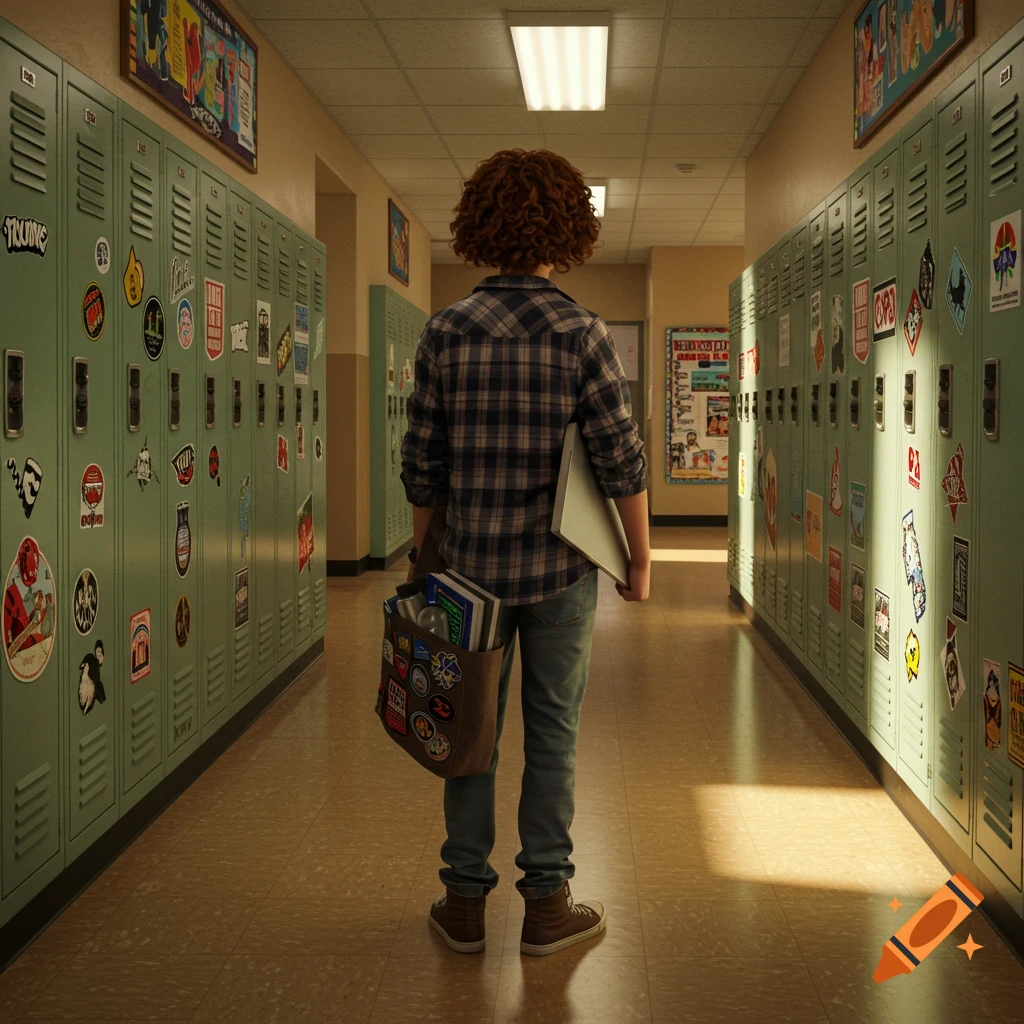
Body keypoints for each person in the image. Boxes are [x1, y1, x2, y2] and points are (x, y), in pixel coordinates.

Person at [401, 149, 650, 958]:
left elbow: (423, 462)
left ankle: (463, 905)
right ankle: (547, 902)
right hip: (560, 575)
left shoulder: (445, 330)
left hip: (466, 573)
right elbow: (621, 458)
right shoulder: (584, 332)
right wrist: (639, 561)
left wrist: (422, 553)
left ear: (481, 227)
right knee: (553, 734)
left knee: (467, 731)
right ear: (566, 232)